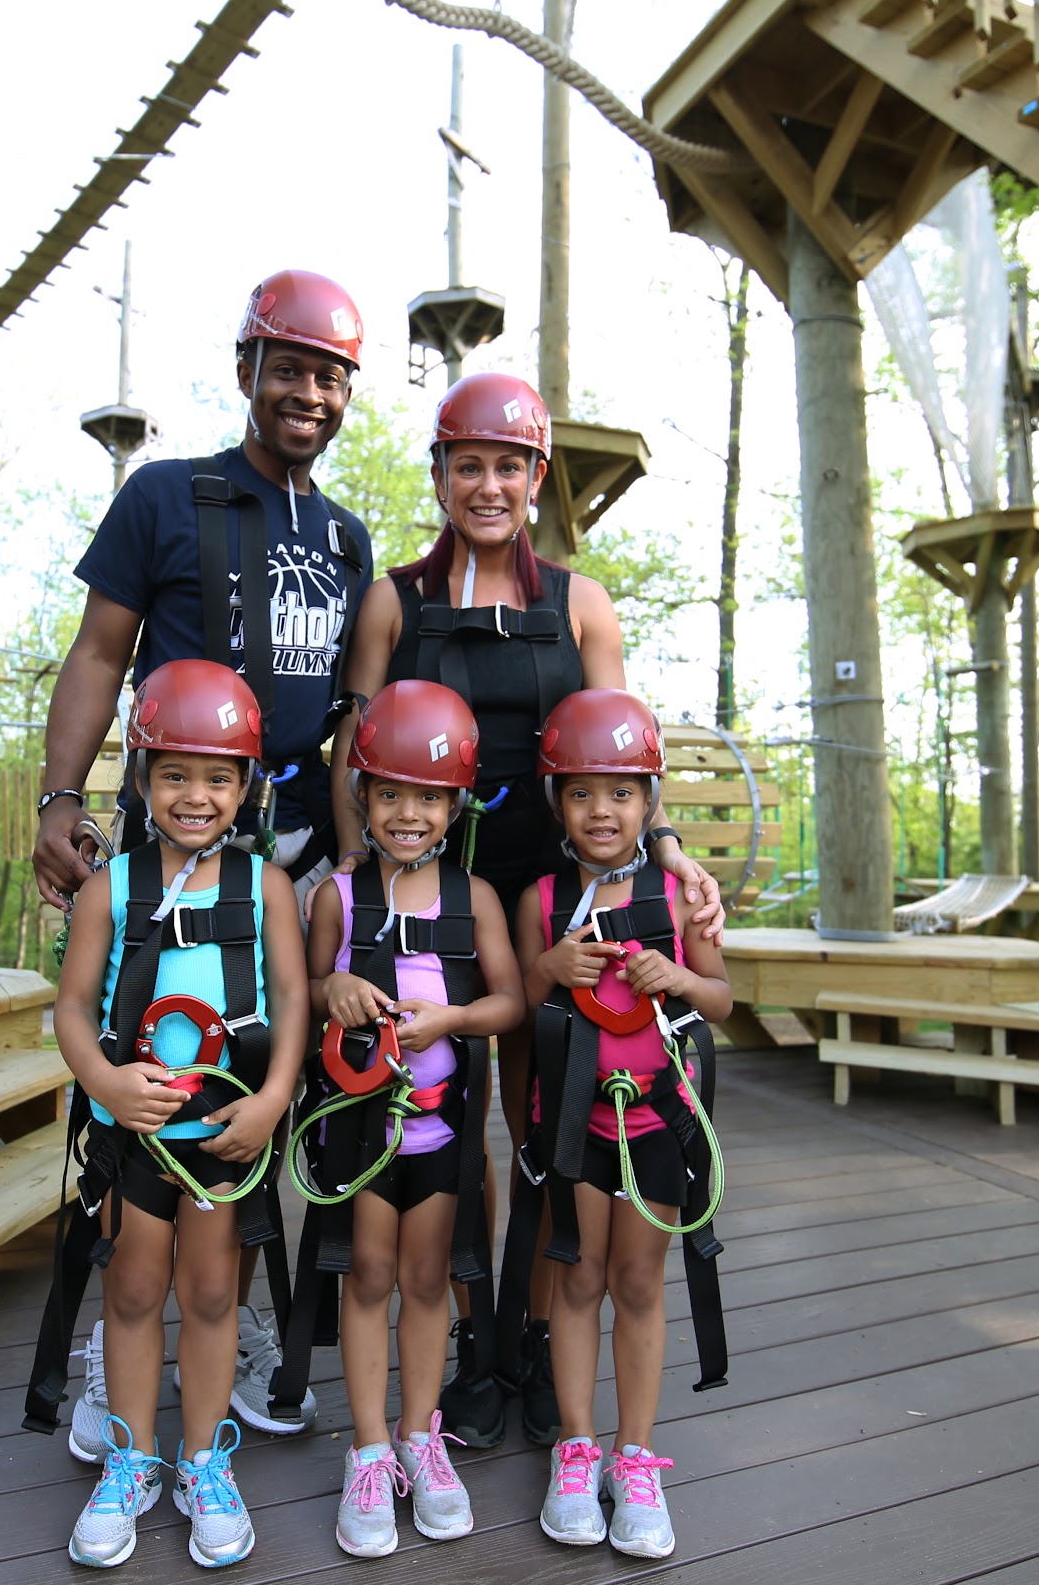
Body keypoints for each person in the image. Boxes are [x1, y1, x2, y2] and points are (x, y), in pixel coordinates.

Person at [336, 370, 723, 1448]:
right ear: (440, 474)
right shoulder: (395, 600)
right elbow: (355, 748)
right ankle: (473, 1341)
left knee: (551, 1121)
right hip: (439, 890)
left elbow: (621, 748)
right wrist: (354, 865)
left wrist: (668, 852)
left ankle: (548, 1339)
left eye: (509, 466)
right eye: (469, 464)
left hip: (563, 896)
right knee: (451, 1118)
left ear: (536, 477)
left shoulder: (580, 602)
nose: (489, 486)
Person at [34, 270, 377, 1448]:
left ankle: (235, 1322)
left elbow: (348, 720)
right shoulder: (165, 498)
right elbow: (98, 651)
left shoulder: (346, 539)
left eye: (330, 376)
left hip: (287, 841)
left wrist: (349, 859)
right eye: (290, 368)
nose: (309, 393)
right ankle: (113, 1340)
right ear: (247, 372)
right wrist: (59, 797)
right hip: (171, 823)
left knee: (262, 1081)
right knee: (144, 1078)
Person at [39, 661, 309, 1570]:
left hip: (225, 1143)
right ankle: (130, 1460)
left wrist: (272, 1100)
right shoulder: (109, 889)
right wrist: (104, 1083)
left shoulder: (266, 888)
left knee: (211, 1296)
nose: (196, 796)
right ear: (143, 778)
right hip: (137, 1142)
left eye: (218, 778)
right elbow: (73, 1008)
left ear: (247, 787)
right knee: (131, 1292)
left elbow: (293, 1002)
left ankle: (202, 1463)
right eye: (175, 775)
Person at [289, 681, 522, 1556]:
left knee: (426, 1281)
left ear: (455, 805)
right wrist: (337, 988)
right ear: (363, 796)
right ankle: (368, 1450)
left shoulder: (475, 899)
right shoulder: (338, 899)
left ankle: (422, 1440)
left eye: (429, 798)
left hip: (439, 1136)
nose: (409, 814)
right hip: (357, 1132)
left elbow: (508, 1002)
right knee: (369, 1276)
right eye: (389, 794)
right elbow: (309, 989)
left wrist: (452, 1019)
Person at [510, 688, 731, 1560]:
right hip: (573, 1126)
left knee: (639, 1283)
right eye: (580, 792)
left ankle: (635, 1459)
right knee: (576, 1279)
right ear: (556, 801)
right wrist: (549, 966)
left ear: (650, 801)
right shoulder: (542, 897)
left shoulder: (678, 897)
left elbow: (721, 998)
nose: (601, 810)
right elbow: (519, 1003)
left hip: (657, 1125)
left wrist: (679, 980)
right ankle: (576, 1449)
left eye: (622, 792)